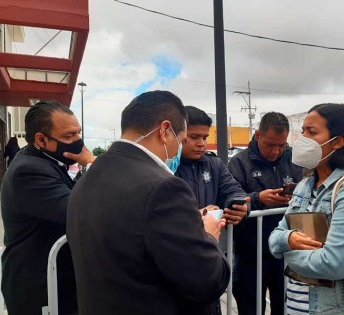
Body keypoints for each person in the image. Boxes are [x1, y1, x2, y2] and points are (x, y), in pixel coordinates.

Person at [66, 91, 230, 315]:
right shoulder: (164, 188)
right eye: (181, 140)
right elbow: (207, 279)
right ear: (164, 131)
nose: (178, 150)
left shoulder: (90, 176)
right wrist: (208, 235)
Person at [268, 104, 344, 314]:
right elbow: (276, 236)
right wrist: (286, 239)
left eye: (312, 132)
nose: (302, 139)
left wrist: (286, 252)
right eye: (303, 131)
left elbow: (335, 264)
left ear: (338, 141)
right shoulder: (305, 185)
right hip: (296, 306)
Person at [0, 100, 96, 315]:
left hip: (56, 280)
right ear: (41, 139)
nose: (78, 141)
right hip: (39, 286)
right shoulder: (29, 171)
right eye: (68, 136)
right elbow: (78, 209)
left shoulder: (47, 161)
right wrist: (92, 164)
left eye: (78, 133)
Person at [175, 105, 250, 315]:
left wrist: (239, 206)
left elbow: (233, 190)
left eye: (205, 137)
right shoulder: (167, 165)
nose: (201, 143)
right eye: (194, 137)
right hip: (176, 253)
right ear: (179, 135)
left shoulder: (213, 164)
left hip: (208, 252)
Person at [228, 112, 303, 315]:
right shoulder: (238, 163)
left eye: (281, 145)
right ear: (257, 135)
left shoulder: (294, 159)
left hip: (286, 250)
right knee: (251, 307)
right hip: (251, 251)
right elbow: (232, 199)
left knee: (285, 306)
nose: (275, 151)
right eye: (270, 144)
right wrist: (257, 198)